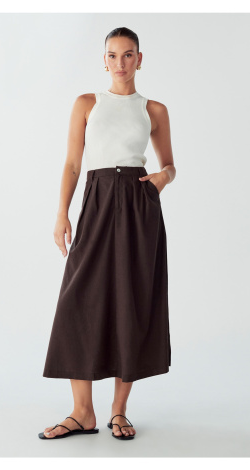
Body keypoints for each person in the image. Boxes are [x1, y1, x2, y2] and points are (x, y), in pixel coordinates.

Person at [39, 27, 176, 441]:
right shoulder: (87, 103)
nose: (120, 62)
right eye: (113, 55)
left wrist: (161, 179)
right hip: (97, 200)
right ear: (104, 61)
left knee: (131, 302)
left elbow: (169, 164)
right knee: (77, 299)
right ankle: (83, 413)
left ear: (139, 59)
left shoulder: (154, 109)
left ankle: (119, 411)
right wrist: (62, 214)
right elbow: (72, 164)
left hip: (138, 204)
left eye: (128, 54)